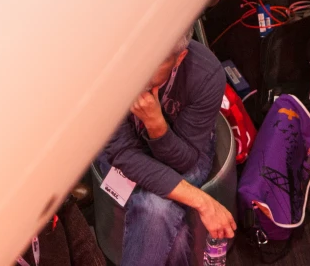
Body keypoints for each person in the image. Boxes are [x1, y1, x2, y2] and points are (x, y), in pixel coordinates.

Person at [95, 27, 236, 266]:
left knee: (155, 207)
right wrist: (202, 201)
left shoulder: (206, 73)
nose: (136, 78)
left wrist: (156, 125)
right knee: (158, 210)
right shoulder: (108, 66)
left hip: (185, 152)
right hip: (125, 153)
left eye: (149, 69)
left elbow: (185, 161)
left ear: (179, 59)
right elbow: (122, 153)